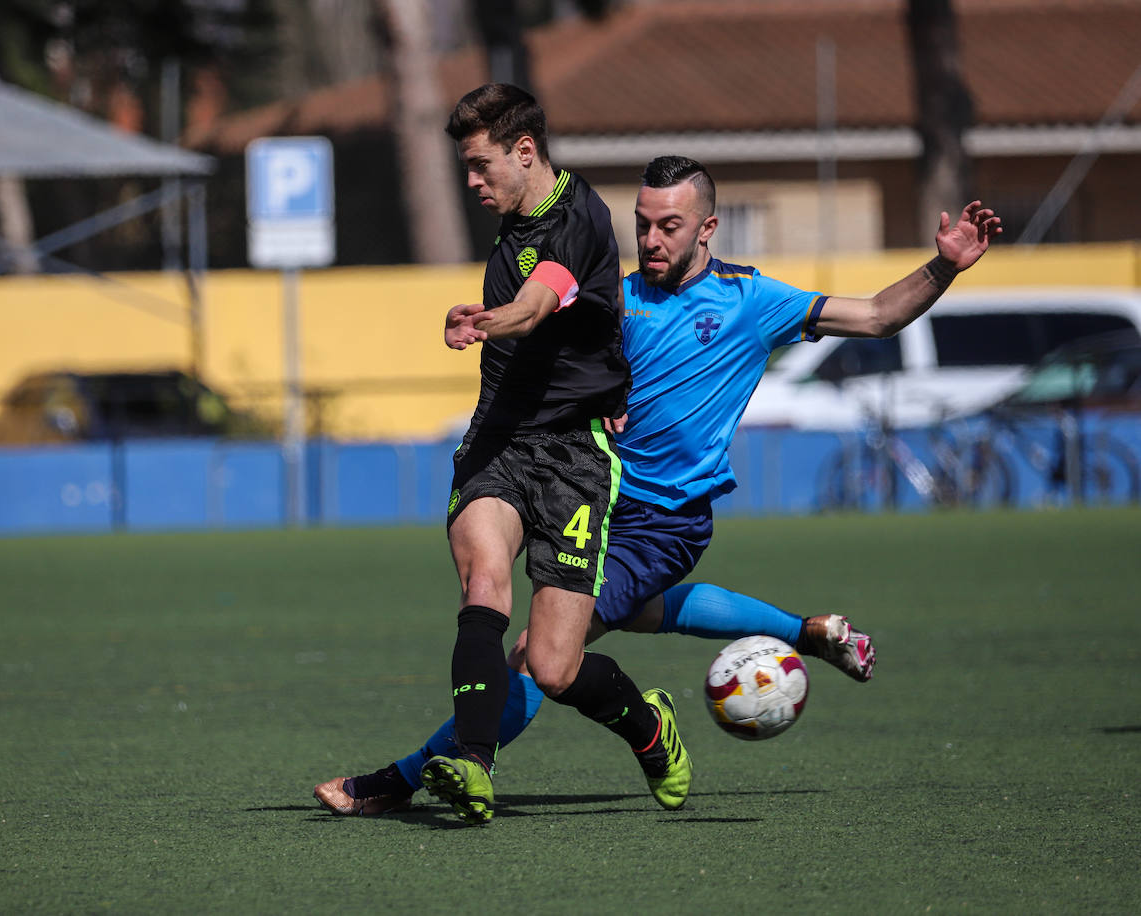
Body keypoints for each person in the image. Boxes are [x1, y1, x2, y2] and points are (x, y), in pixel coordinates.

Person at [315, 155, 1001, 816]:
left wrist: (944, 264)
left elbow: (878, 316)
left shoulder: (749, 299)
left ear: (707, 228)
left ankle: (402, 780)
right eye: (641, 223)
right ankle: (807, 632)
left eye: (668, 226)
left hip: (660, 522)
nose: (649, 239)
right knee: (640, 612)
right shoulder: (615, 296)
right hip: (583, 492)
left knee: (539, 654)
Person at [394, 85, 691, 826]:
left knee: (554, 668)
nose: (471, 182)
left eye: (479, 164)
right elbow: (516, 311)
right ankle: (473, 762)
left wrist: (495, 321)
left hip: (573, 456)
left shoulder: (578, 219)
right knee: (483, 581)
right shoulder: (513, 217)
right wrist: (475, 317)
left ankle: (648, 726)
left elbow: (536, 304)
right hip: (498, 441)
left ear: (525, 152)